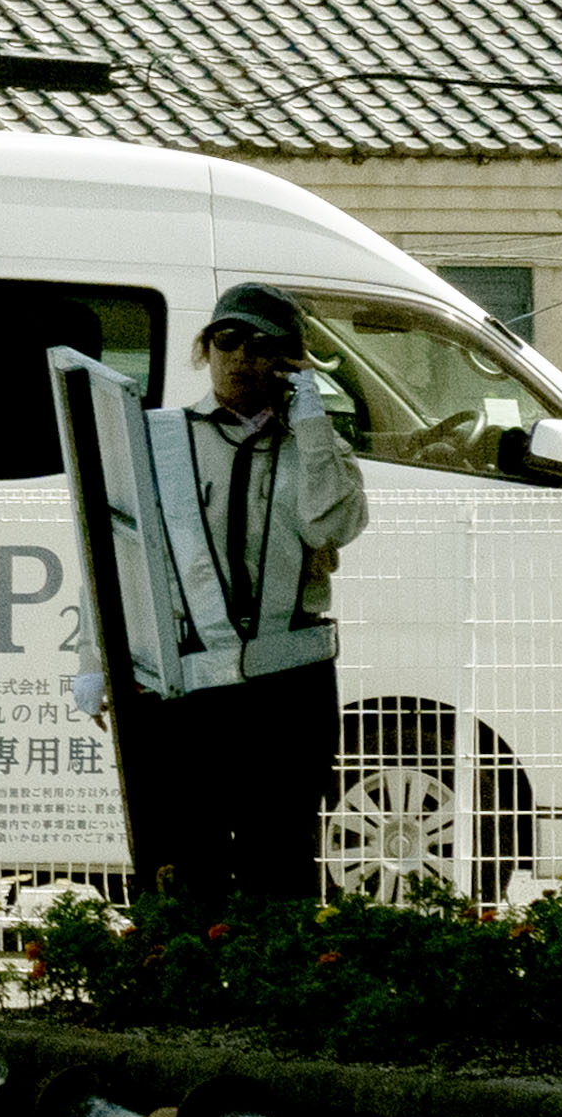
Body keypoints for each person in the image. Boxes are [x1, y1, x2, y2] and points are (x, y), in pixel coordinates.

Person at [110, 283, 370, 905]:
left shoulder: (318, 447)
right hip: (191, 678)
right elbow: (124, 555)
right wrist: (99, 662)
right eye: (227, 339)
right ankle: (188, 996)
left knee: (279, 854)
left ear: (291, 361)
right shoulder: (162, 438)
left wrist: (310, 425)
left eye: (262, 345)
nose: (241, 356)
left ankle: (271, 998)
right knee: (187, 851)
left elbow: (331, 525)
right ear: (205, 348)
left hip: (289, 682)